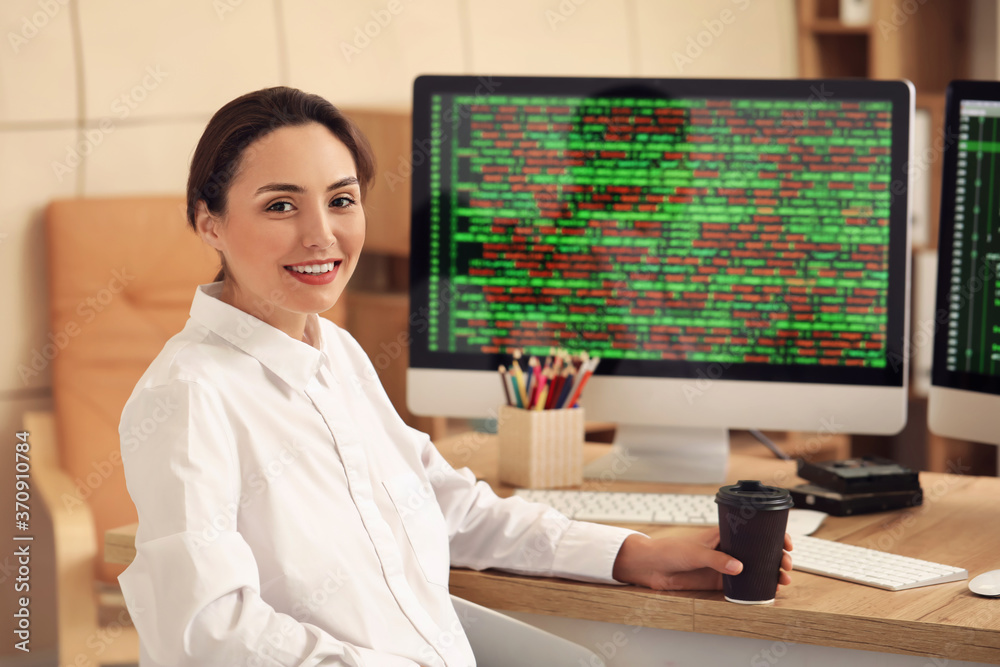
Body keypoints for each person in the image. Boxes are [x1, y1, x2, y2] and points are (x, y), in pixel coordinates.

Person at [117, 86, 793, 667]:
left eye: (342, 200)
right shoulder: (189, 395)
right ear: (208, 220)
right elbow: (208, 632)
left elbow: (447, 505)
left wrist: (631, 552)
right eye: (281, 205)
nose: (322, 236)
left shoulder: (337, 353)